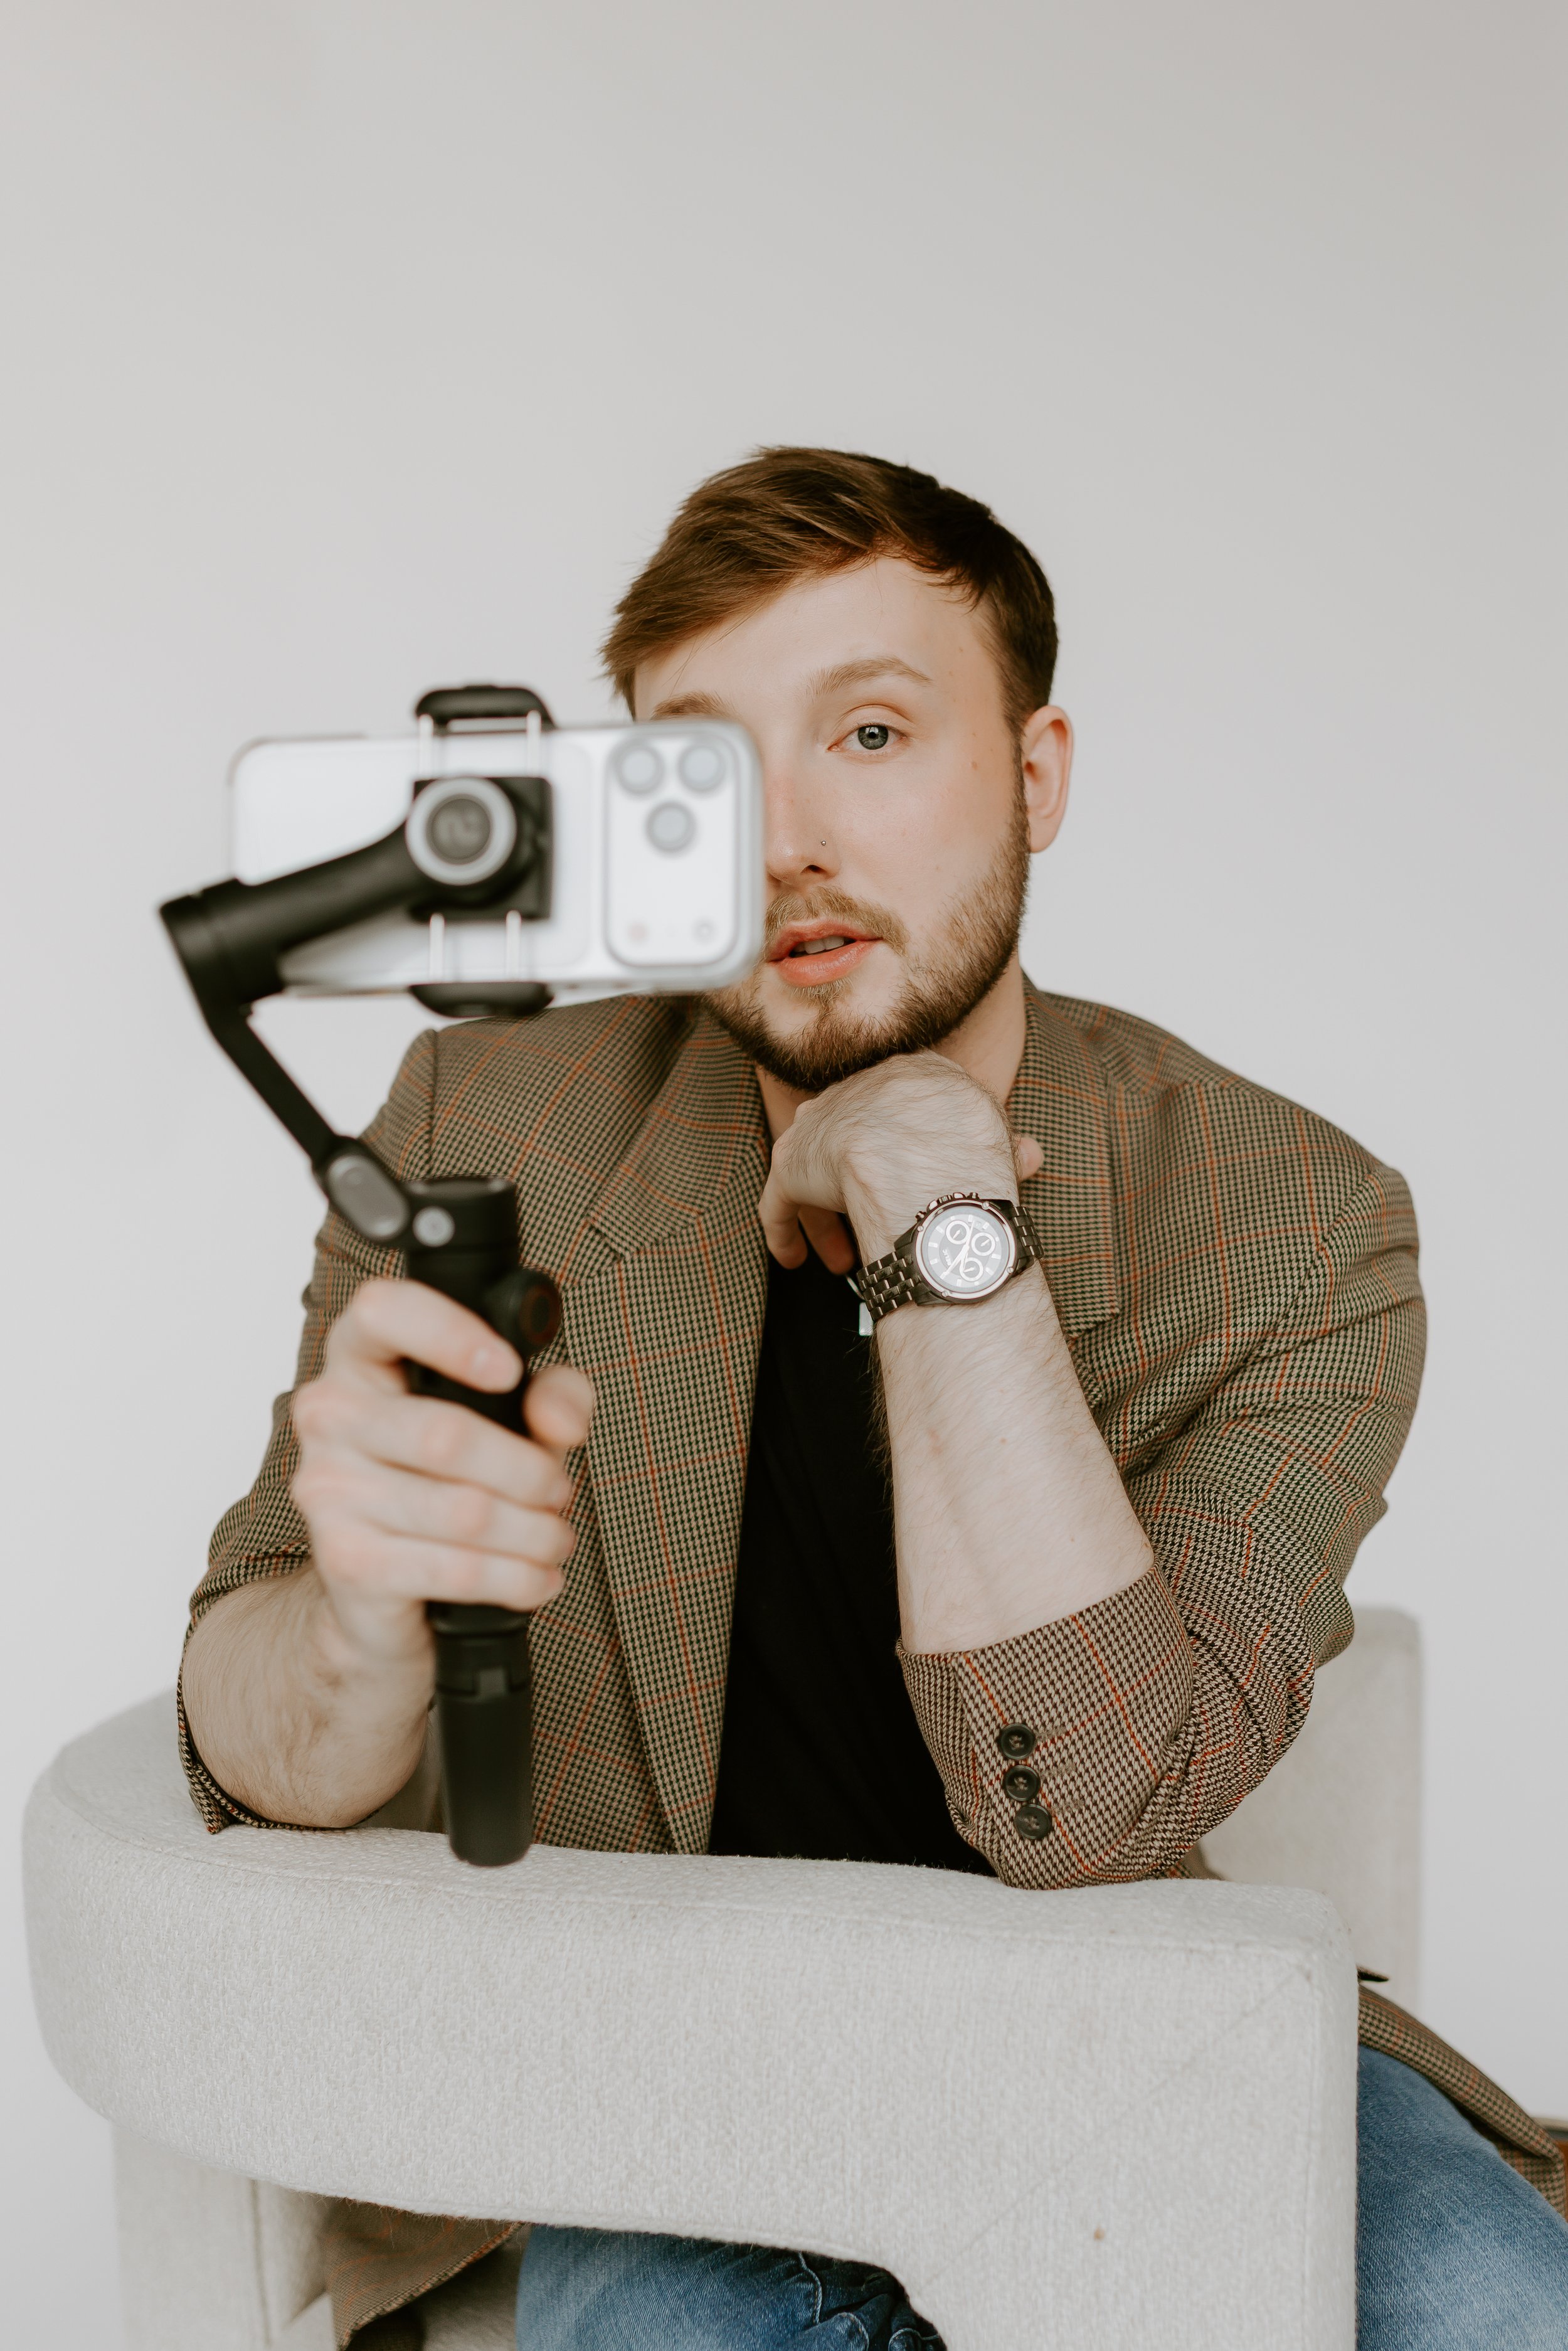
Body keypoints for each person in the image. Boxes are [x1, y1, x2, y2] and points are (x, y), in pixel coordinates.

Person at [179, 450, 1568, 2348]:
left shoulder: (1295, 1223)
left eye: (872, 731)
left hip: (1128, 2031)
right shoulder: (477, 1128)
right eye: (707, 763)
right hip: (650, 2073)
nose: (783, 842)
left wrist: (938, 1191)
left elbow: (1079, 1811)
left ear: (1033, 772)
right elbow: (248, 1732)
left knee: (1499, 2310)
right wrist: (352, 1626)